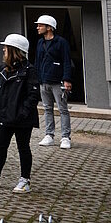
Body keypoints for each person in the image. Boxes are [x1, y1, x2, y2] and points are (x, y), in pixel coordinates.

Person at [0, 33, 39, 192]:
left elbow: (33, 96)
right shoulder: (3, 69)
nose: (3, 50)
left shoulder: (29, 71)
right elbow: (1, 92)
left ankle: (25, 180)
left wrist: (22, 114)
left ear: (15, 50)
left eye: (6, 48)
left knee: (23, 148)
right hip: (4, 116)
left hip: (21, 120)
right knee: (0, 147)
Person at [34, 14, 73, 149]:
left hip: (58, 81)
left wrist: (67, 79)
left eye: (40, 25)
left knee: (63, 109)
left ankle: (65, 137)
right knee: (47, 108)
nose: (38, 27)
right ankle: (49, 135)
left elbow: (67, 61)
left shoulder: (61, 42)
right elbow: (37, 62)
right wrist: (36, 78)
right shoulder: (40, 42)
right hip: (44, 80)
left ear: (49, 27)